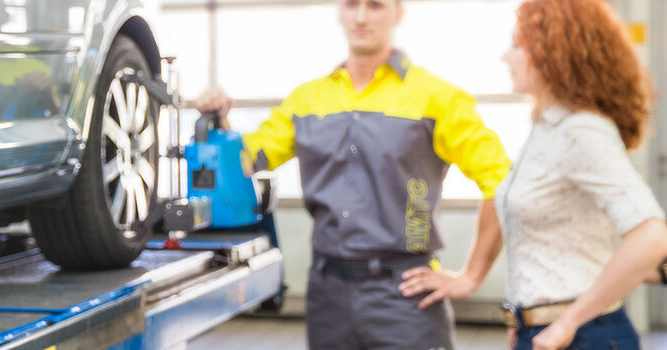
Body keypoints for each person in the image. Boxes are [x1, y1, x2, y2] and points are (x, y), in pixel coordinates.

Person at [195, 0, 512, 348]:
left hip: (405, 295)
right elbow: (244, 161)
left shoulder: (437, 98)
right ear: (340, 12)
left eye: (375, 6)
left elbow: (503, 183)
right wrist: (218, 120)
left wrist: (470, 277)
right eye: (351, 5)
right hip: (327, 296)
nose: (361, 17)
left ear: (397, 14)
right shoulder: (306, 100)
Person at [397, 0, 667, 349]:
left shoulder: (581, 130)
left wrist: (566, 322)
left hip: (583, 335)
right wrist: (519, 310)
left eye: (516, 45)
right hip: (539, 329)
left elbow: (652, 237)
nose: (505, 57)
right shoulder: (546, 128)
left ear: (553, 50)